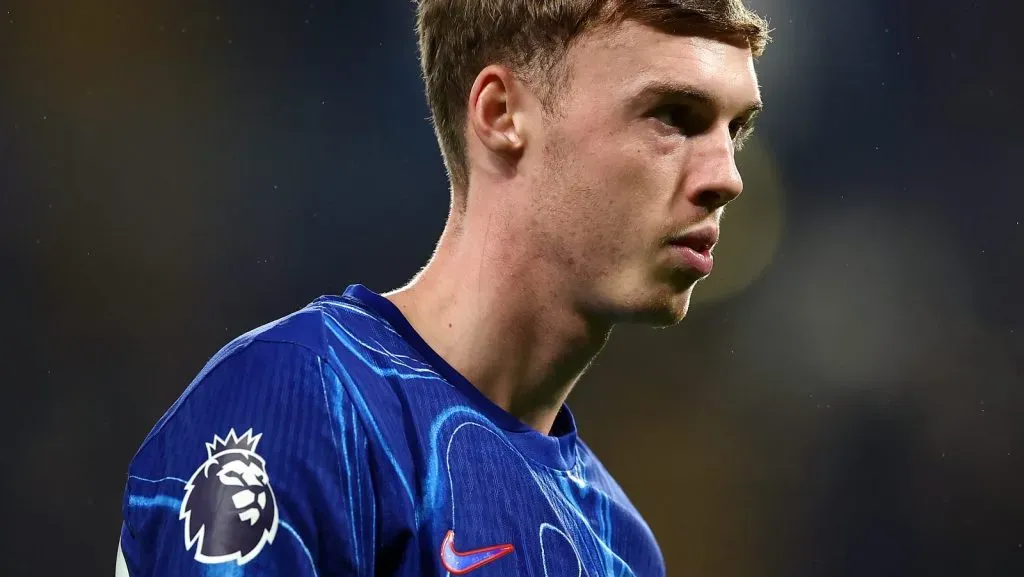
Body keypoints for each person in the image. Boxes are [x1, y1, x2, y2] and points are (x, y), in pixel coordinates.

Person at [115, 0, 768, 575]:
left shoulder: (619, 544)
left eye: (735, 130)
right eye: (673, 117)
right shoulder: (303, 399)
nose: (727, 176)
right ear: (501, 112)